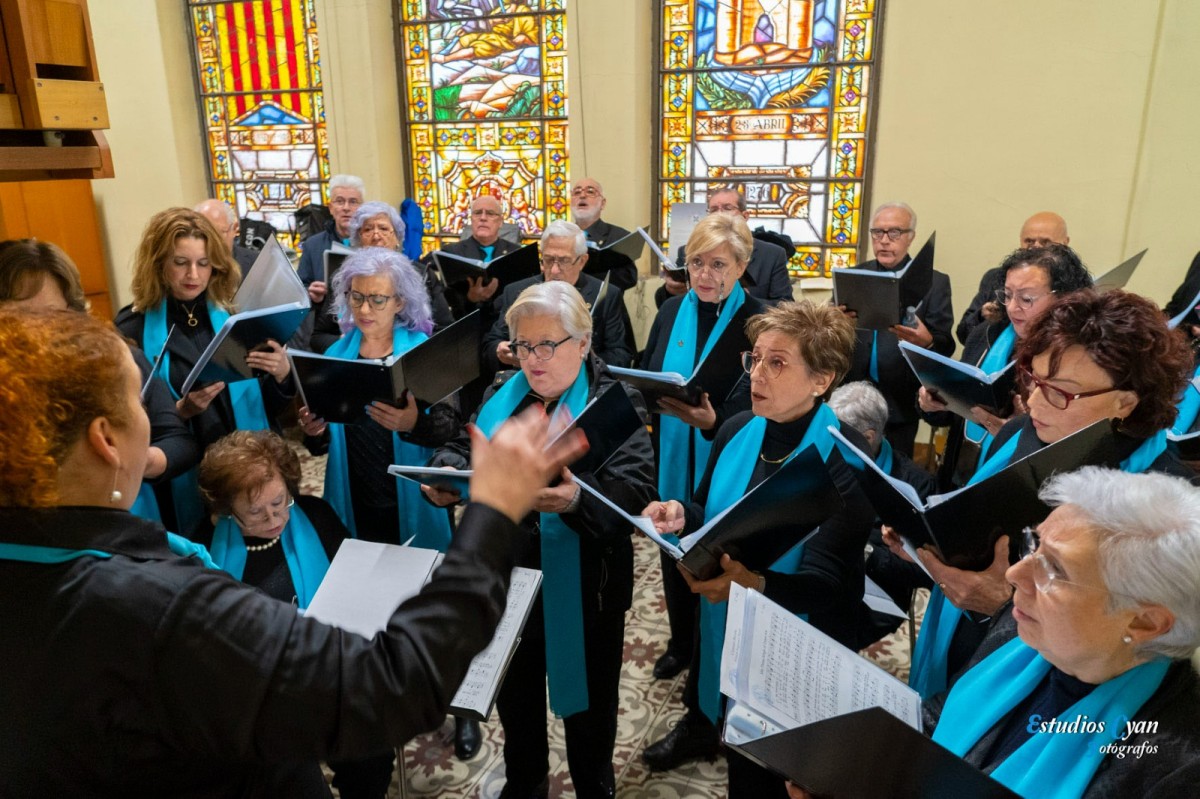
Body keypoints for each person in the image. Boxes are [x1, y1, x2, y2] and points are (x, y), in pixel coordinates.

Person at [0, 306, 588, 796]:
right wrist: (491, 512)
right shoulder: (157, 606)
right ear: (105, 440)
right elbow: (388, 689)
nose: (152, 423)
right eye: (139, 403)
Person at [424, 281, 657, 799]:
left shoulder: (616, 402)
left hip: (586, 588)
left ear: (583, 342)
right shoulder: (498, 394)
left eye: (548, 345)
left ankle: (595, 787)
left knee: (590, 717)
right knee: (518, 702)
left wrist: (576, 501)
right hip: (508, 584)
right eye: (524, 345)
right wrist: (446, 475)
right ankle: (525, 784)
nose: (534, 359)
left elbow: (637, 490)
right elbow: (469, 452)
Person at [904, 288, 1193, 701]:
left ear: (1127, 401)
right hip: (963, 639)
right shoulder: (1023, 432)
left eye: (1061, 391)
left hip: (1053, 693)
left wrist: (1004, 605)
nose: (1035, 402)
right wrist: (929, 548)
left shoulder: (1166, 508)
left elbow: (1140, 648)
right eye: (1034, 380)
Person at [639, 301, 875, 794]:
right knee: (743, 768)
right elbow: (712, 513)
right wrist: (683, 513)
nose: (757, 375)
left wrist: (754, 585)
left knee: (780, 779)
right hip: (731, 632)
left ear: (821, 380)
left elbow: (829, 585)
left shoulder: (846, 461)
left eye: (778, 362)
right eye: (756, 359)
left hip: (800, 651)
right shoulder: (737, 429)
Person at [194, 430, 397, 798]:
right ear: (225, 508)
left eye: (280, 502)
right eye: (255, 512)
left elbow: (355, 582)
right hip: (259, 698)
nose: (274, 518)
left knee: (371, 748)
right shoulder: (204, 549)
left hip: (330, 673)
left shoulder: (316, 515)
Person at [640, 212, 766, 682]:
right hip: (671, 454)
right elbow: (650, 368)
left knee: (716, 558)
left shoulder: (760, 319)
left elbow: (760, 403)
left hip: (726, 460)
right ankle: (681, 642)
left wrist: (714, 423)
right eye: (696, 263)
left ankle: (716, 658)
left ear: (741, 266)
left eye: (718, 265)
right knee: (670, 545)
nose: (705, 276)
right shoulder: (672, 311)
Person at [114, 208, 294, 534]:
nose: (193, 275)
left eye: (203, 263)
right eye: (181, 263)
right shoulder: (133, 328)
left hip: (250, 467)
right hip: (185, 472)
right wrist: (180, 412)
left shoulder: (237, 316)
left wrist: (281, 376)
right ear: (158, 265)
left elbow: (270, 409)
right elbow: (126, 423)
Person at [0, 238, 199, 525]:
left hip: (124, 520)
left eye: (53, 315)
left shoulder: (118, 359)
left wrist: (140, 458)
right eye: (23, 317)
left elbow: (178, 440)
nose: (40, 330)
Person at [298, 247, 458, 552]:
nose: (364, 310)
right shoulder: (336, 354)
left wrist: (414, 423)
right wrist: (314, 432)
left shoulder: (423, 352)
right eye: (356, 297)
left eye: (377, 299)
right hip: (355, 492)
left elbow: (452, 429)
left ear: (400, 302)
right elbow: (321, 443)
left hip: (412, 493)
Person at [920, 244, 1093, 490]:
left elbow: (1079, 447)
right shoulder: (986, 334)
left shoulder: (1077, 358)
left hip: (1022, 486)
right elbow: (957, 412)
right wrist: (934, 403)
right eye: (1008, 295)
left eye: (1026, 298)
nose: (1012, 307)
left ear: (1063, 298)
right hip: (958, 473)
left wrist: (1015, 437)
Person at [840, 201, 955, 457]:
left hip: (901, 402)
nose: (884, 240)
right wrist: (835, 321)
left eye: (894, 233)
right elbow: (829, 333)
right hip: (853, 393)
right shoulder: (853, 275)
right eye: (877, 232)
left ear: (910, 237)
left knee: (894, 471)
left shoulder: (936, 283)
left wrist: (927, 342)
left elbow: (946, 344)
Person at [828, 380, 937, 645]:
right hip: (826, 570)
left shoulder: (917, 485)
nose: (830, 440)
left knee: (830, 627)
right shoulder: (828, 454)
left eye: (839, 435)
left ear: (868, 437)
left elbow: (926, 573)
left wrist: (868, 554)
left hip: (878, 591)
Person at [483, 219, 632, 371]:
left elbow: (621, 356)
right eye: (548, 260)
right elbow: (491, 344)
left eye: (564, 261)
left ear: (582, 261)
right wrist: (500, 349)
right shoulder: (516, 292)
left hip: (583, 385)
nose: (554, 270)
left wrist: (579, 358)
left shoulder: (606, 294)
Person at [308, 200, 453, 352]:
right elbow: (318, 337)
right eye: (368, 229)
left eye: (383, 228)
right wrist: (346, 343)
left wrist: (413, 348)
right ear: (358, 239)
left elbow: (445, 330)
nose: (376, 236)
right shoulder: (347, 277)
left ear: (397, 238)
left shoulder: (422, 275)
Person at [658, 187, 793, 307]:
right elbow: (664, 304)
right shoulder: (689, 250)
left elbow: (787, 306)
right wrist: (670, 290)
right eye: (714, 209)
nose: (720, 214)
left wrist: (746, 301)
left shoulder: (772, 254)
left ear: (745, 216)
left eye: (728, 208)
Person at [956, 212, 1071, 346]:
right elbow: (963, 334)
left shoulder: (1072, 285)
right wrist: (983, 316)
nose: (1036, 247)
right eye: (1029, 241)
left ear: (1065, 243)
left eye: (1045, 242)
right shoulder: (996, 278)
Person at [296, 173, 365, 304]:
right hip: (327, 317)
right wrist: (311, 294)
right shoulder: (312, 245)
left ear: (361, 208)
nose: (346, 208)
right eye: (340, 201)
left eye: (353, 202)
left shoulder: (372, 241)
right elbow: (300, 289)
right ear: (331, 208)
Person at [571, 177, 638, 291]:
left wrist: (580, 277)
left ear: (602, 203)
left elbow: (629, 278)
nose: (582, 196)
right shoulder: (561, 235)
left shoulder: (619, 236)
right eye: (577, 192)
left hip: (604, 304)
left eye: (590, 192)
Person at [194, 198, 258, 277]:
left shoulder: (257, 262)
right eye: (204, 234)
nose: (211, 241)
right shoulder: (192, 270)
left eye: (218, 233)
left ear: (234, 229)